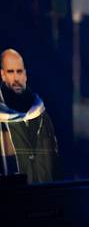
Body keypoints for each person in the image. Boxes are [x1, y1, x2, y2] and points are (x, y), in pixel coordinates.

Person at [0, 49, 58, 183]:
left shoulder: (41, 114)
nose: (16, 78)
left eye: (19, 71)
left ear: (25, 74)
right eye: (10, 72)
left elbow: (54, 162)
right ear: (2, 75)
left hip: (46, 197)